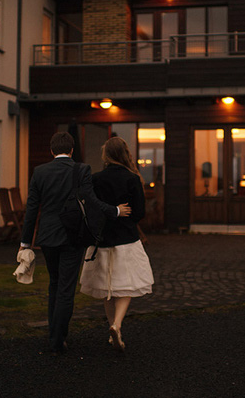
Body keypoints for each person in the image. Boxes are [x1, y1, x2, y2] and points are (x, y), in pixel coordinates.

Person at [20, 132, 131, 355]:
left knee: (54, 284)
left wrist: (25, 243)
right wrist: (115, 211)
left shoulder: (39, 172)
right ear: (72, 150)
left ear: (52, 151)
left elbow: (32, 209)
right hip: (73, 236)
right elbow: (91, 200)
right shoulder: (81, 169)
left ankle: (55, 335)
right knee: (66, 290)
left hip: (48, 237)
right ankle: (57, 340)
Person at [79, 137, 154, 352]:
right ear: (125, 153)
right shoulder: (132, 178)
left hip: (101, 239)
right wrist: (124, 217)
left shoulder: (96, 179)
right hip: (126, 239)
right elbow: (139, 213)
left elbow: (91, 207)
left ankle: (113, 333)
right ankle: (117, 325)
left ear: (106, 155)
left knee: (107, 288)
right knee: (126, 285)